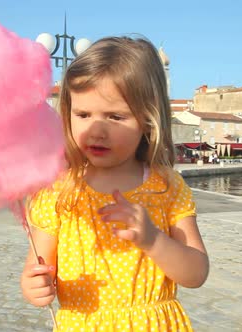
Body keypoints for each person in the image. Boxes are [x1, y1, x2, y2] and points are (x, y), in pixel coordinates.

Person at [20, 36, 209, 331]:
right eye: (83, 115)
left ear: (148, 119)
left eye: (115, 116)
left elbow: (196, 273)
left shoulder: (165, 186)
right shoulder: (57, 191)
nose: (96, 130)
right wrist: (35, 286)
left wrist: (152, 239)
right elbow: (38, 267)